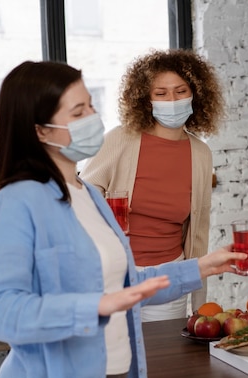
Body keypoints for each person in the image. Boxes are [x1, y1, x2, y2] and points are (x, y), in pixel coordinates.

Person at [0, 60, 246, 378]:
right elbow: (0, 312)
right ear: (41, 131)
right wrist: (95, 306)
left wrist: (200, 266)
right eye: (78, 112)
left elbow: (128, 283)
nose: (93, 119)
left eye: (91, 106)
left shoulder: (88, 195)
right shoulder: (19, 201)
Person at [80, 49, 224, 322]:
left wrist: (198, 298)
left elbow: (198, 230)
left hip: (170, 279)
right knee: (118, 360)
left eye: (180, 91)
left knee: (165, 361)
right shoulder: (120, 139)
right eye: (161, 93)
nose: (172, 100)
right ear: (146, 99)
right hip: (117, 277)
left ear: (195, 94)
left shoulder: (201, 154)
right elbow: (82, 196)